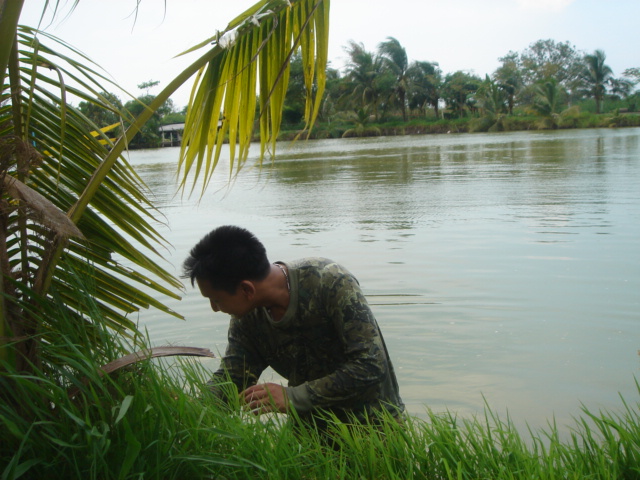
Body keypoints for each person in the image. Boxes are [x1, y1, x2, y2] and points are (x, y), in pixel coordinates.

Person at [183, 225, 404, 429]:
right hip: (309, 428)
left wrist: (292, 397)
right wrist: (189, 408)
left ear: (247, 290)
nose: (214, 308)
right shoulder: (246, 317)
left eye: (216, 300)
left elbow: (371, 365)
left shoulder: (330, 281)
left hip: (373, 425)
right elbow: (233, 378)